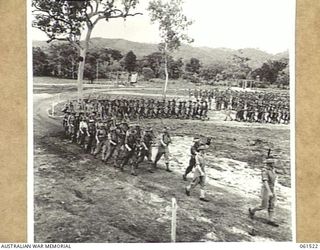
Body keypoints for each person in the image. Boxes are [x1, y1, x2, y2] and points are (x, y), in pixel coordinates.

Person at [248, 157, 279, 227]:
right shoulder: (264, 171)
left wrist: (272, 190)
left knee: (272, 204)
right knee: (263, 206)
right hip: (266, 189)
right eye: (273, 163)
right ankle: (252, 211)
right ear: (270, 164)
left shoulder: (273, 170)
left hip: (272, 188)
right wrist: (269, 192)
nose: (274, 164)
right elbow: (265, 182)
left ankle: (270, 220)